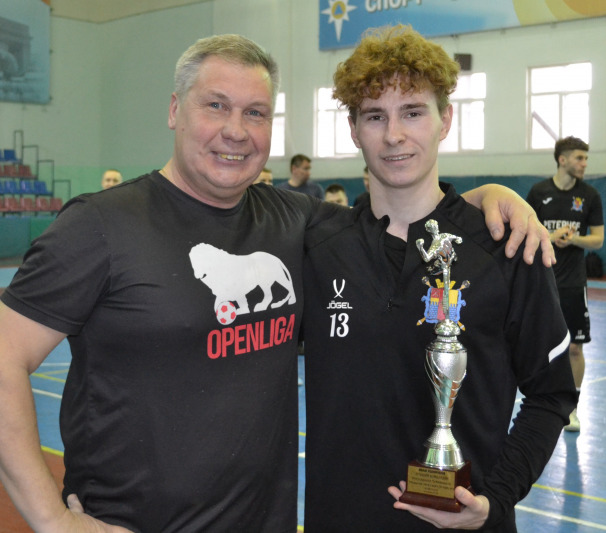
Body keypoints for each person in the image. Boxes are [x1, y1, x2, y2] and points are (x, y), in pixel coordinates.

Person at [0, 32, 552, 533]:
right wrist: (51, 520)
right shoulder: (102, 225)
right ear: (174, 110)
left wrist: (489, 201)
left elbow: (412, 219)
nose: (235, 130)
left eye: (256, 113)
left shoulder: (296, 222)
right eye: (215, 105)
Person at [301, 24, 577, 532]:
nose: (394, 135)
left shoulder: (506, 245)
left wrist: (495, 500)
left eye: (413, 112)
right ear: (354, 129)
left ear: (445, 119)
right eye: (374, 116)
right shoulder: (315, 246)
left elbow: (551, 394)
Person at [527, 136, 604, 432]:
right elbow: (527, 230)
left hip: (573, 284)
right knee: (538, 348)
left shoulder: (590, 195)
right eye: (579, 158)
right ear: (562, 160)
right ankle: (539, 405)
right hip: (542, 282)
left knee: (574, 348)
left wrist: (574, 239)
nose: (584, 163)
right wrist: (550, 236)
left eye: (586, 158)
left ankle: (571, 410)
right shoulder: (539, 192)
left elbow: (597, 239)